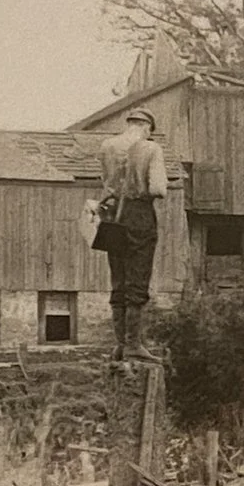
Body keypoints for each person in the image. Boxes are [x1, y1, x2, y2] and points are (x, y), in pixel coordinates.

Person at [96, 108, 167, 361]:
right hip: (138, 215)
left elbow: (106, 183)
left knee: (118, 278)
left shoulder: (107, 146)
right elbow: (158, 188)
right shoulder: (151, 148)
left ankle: (119, 343)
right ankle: (133, 344)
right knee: (137, 278)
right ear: (147, 127)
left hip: (112, 214)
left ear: (129, 124)